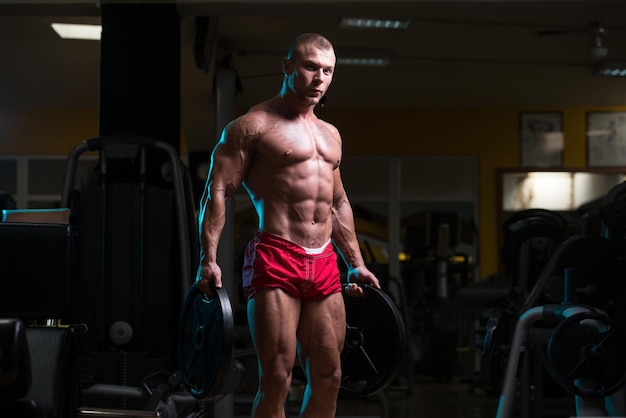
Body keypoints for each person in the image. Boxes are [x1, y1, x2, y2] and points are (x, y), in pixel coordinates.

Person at [197, 32, 381, 418]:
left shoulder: (331, 135)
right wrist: (208, 258)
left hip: (325, 260)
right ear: (287, 67)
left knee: (330, 375)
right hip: (276, 256)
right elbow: (216, 191)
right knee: (278, 376)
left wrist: (357, 263)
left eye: (328, 71)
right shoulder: (251, 126)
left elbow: (338, 201)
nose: (319, 78)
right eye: (311, 67)